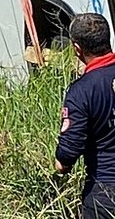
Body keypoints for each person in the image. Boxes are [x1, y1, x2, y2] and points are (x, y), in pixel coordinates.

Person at [56, 13, 115, 218]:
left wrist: (59, 164)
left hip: (106, 193)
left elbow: (65, 158)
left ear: (77, 49)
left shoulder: (80, 92)